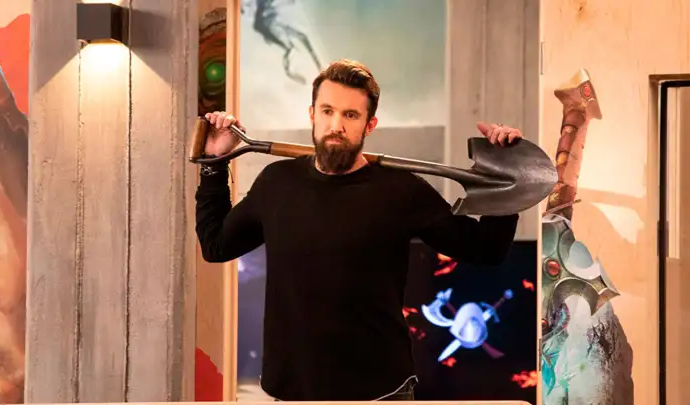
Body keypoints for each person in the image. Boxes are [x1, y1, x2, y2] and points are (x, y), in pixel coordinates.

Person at [195, 59, 522, 401]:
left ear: (370, 125)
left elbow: (487, 250)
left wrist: (507, 177)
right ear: (312, 114)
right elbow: (216, 246)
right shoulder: (276, 183)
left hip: (381, 393)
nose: (336, 125)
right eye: (327, 111)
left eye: (350, 115)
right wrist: (214, 164)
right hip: (291, 392)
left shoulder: (402, 191)